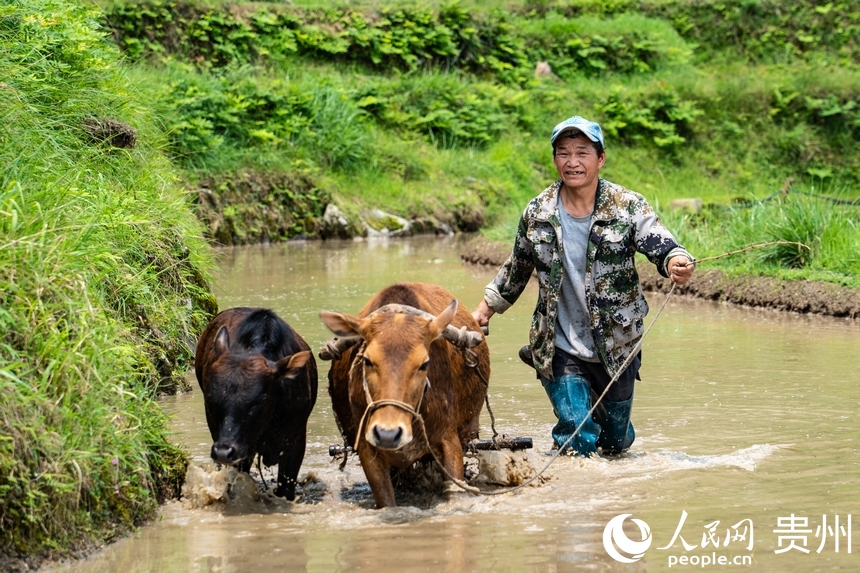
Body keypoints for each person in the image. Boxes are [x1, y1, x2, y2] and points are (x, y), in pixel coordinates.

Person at [471, 115, 695, 456]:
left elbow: (659, 241)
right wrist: (484, 311)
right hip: (558, 343)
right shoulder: (538, 212)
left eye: (582, 153)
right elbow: (516, 269)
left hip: (617, 343)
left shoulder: (627, 206)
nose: (572, 162)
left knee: (616, 442)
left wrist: (675, 260)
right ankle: (576, 501)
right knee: (577, 437)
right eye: (563, 153)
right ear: (555, 159)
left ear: (600, 159)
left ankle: (597, 411)